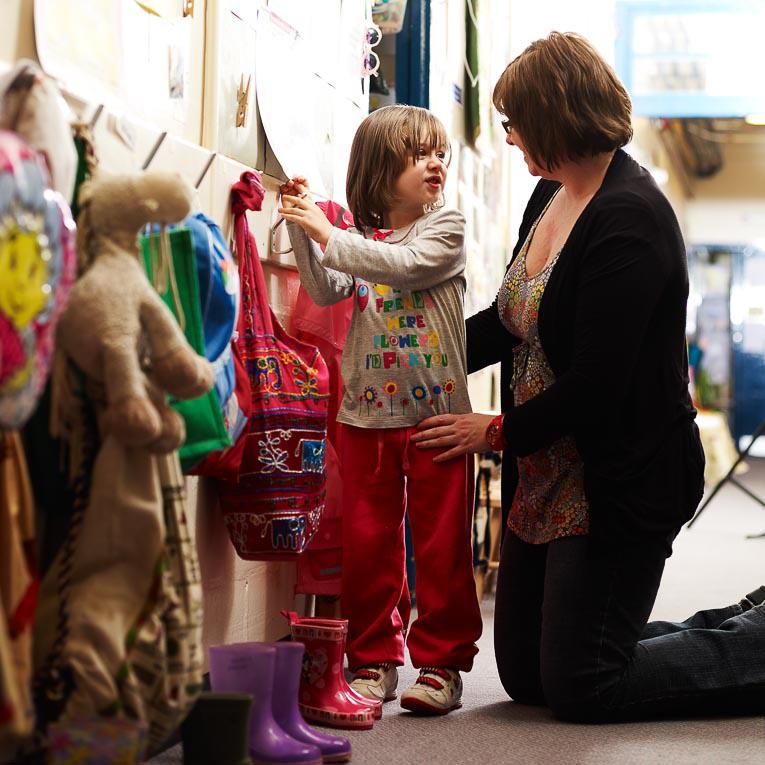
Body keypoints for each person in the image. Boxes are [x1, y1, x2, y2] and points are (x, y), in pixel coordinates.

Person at [412, 32, 765, 722]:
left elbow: (596, 385)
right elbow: (511, 320)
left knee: (583, 684)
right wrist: (411, 356)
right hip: (547, 467)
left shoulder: (629, 217)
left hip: (618, 474)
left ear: (552, 117)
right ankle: (742, 619)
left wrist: (493, 430)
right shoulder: (549, 194)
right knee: (526, 677)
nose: (508, 138)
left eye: (513, 123)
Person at [278, 104, 482, 715]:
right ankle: (373, 660)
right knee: (369, 548)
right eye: (419, 154)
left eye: (439, 152)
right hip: (365, 417)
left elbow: (400, 266)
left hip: (437, 419)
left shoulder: (444, 230)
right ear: (378, 171)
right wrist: (297, 222)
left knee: (441, 547)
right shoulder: (363, 243)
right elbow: (324, 286)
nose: (436, 163)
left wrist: (323, 231)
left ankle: (441, 664)